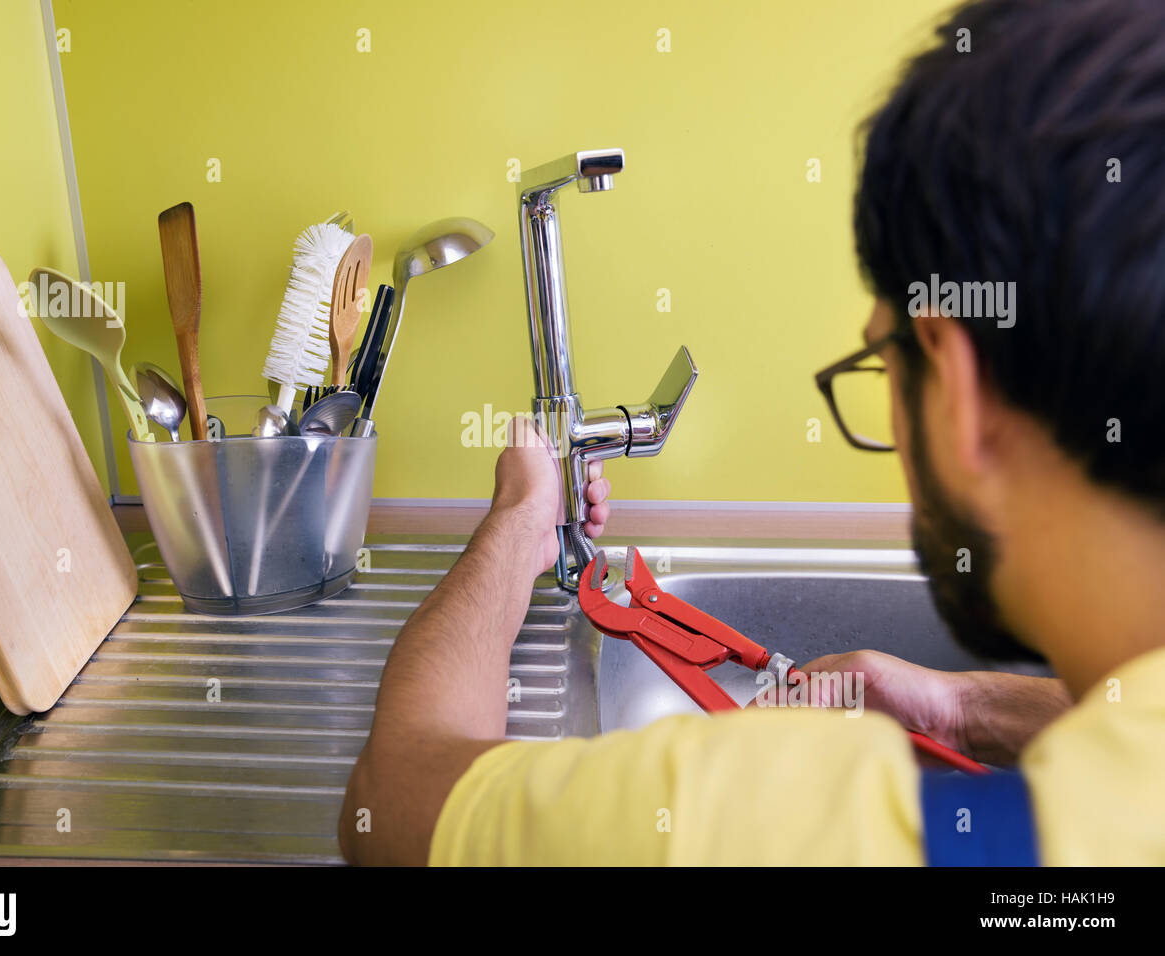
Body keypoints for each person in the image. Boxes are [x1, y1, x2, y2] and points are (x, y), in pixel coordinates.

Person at [338, 0, 1165, 865]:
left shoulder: (782, 826)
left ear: (955, 394)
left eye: (879, 362)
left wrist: (514, 528)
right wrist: (962, 710)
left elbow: (394, 797)